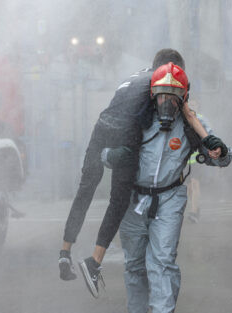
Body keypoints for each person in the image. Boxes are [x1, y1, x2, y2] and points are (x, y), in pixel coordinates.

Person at [58, 49, 214, 298]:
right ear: (170, 68)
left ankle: (65, 252)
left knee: (85, 191)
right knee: (118, 201)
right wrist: (208, 139)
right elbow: (183, 112)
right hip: (125, 134)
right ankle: (94, 262)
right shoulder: (162, 80)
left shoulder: (133, 77)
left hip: (101, 127)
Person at [118, 63, 232, 313]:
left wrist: (218, 149)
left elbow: (221, 158)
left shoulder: (194, 124)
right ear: (152, 95)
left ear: (184, 98)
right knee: (135, 264)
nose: (167, 101)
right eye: (162, 94)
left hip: (169, 199)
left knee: (162, 262)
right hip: (132, 200)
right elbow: (105, 151)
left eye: (174, 95)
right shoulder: (136, 119)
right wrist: (113, 155)